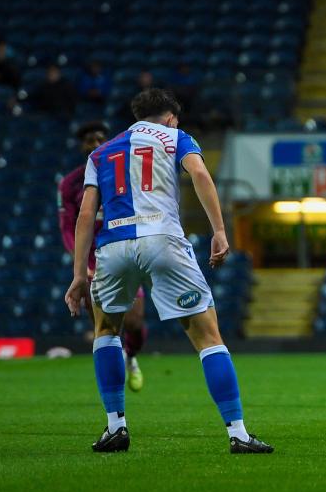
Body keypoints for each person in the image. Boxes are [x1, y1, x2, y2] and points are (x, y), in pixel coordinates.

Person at [64, 89, 273, 454]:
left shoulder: (100, 153)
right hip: (162, 239)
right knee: (208, 338)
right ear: (171, 118)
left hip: (112, 247)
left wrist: (79, 274)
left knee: (106, 331)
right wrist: (219, 231)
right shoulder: (177, 137)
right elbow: (200, 174)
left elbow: (85, 215)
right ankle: (238, 434)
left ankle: (115, 427)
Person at [58, 121, 148, 391]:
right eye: (89, 140)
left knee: (134, 322)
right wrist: (80, 264)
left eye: (99, 138)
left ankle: (131, 357)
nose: (94, 144)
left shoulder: (125, 173)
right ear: (81, 146)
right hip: (92, 262)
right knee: (104, 327)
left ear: (108, 142)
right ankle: (114, 387)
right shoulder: (70, 184)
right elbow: (68, 227)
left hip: (123, 252)